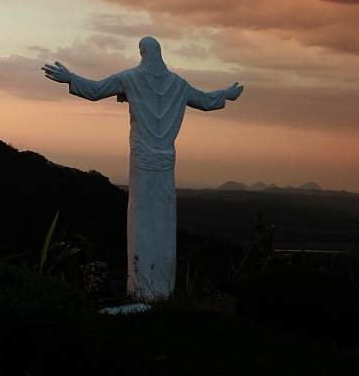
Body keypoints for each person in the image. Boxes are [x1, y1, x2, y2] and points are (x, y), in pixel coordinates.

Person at [42, 36, 243, 301]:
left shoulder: (131, 78)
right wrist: (226, 94)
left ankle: (142, 290)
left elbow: (94, 90)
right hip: (166, 162)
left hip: (142, 161)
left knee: (141, 221)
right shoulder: (178, 84)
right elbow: (205, 100)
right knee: (163, 221)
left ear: (142, 53)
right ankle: (161, 289)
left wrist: (70, 77)